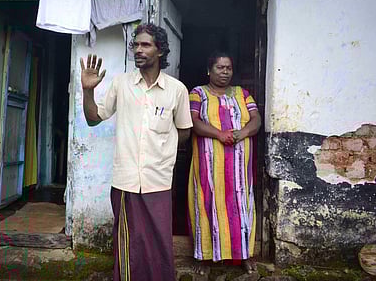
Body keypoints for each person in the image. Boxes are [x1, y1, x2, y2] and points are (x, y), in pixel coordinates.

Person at [81, 23, 193, 281]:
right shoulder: (121, 84)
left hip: (159, 180)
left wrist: (162, 151)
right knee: (129, 247)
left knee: (160, 244)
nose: (138, 50)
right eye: (136, 45)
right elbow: (93, 118)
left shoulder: (176, 90)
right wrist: (88, 90)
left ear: (161, 51)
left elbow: (184, 131)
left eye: (146, 45)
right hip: (126, 181)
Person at [187, 51, 261, 273]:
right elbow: (193, 121)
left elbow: (256, 119)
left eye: (228, 68)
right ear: (209, 70)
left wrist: (243, 132)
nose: (225, 72)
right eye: (220, 67)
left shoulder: (242, 93)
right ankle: (205, 258)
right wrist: (219, 134)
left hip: (239, 165)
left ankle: (243, 255)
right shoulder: (197, 93)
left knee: (241, 205)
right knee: (207, 203)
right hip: (208, 165)